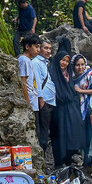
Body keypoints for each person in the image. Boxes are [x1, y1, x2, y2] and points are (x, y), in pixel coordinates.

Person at [49, 40, 85, 166]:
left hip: (71, 109)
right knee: (59, 135)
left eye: (67, 61)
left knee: (73, 133)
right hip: (59, 110)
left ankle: (68, 158)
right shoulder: (53, 73)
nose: (64, 63)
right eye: (62, 60)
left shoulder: (69, 74)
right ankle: (59, 161)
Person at [33, 40, 56, 168]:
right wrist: (41, 99)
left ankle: (43, 162)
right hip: (44, 101)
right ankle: (41, 164)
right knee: (42, 132)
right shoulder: (36, 62)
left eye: (50, 49)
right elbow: (37, 81)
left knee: (45, 132)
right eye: (45, 48)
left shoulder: (46, 63)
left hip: (50, 100)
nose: (48, 51)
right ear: (39, 48)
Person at [18, 34, 41, 109]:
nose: (38, 50)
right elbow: (23, 82)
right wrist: (27, 104)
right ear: (27, 47)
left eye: (39, 47)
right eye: (36, 47)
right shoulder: (24, 60)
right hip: (30, 103)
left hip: (33, 102)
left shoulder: (29, 60)